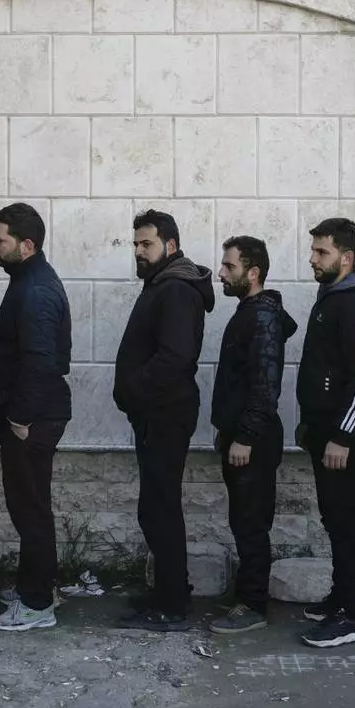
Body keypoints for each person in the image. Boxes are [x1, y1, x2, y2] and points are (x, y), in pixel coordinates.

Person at [114, 209, 215, 632]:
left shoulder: (175, 288)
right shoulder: (162, 282)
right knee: (155, 508)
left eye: (147, 244)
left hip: (165, 412)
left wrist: (134, 388)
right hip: (157, 412)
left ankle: (172, 604)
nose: (138, 251)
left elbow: (173, 357)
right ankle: (167, 592)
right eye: (136, 244)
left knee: (161, 509)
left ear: (169, 246)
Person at [0, 203, 72, 633]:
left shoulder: (35, 289)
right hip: (35, 414)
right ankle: (40, 589)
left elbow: (41, 359)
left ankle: (36, 605)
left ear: (27, 245)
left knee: (30, 509)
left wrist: (20, 416)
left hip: (32, 419)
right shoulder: (29, 280)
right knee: (31, 507)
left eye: (0, 240)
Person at [294, 219, 355, 649]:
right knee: (333, 516)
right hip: (324, 432)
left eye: (321, 252)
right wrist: (311, 425)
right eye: (313, 250)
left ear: (346, 258)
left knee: (346, 521)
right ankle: (339, 598)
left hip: (343, 438)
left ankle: (350, 615)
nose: (313, 258)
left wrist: (343, 436)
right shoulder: (330, 296)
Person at [208, 236, 296, 635]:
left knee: (251, 522)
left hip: (253, 440)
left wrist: (243, 436)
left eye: (229, 267)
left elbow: (265, 386)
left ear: (253, 272)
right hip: (240, 435)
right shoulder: (251, 311)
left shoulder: (261, 317)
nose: (222, 274)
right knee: (244, 519)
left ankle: (253, 605)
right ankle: (246, 594)